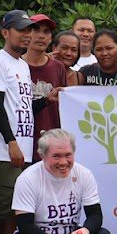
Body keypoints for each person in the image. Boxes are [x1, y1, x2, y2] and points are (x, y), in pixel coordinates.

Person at [11, 130, 114, 234]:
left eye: (68, 155)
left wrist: (85, 232)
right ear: (43, 156)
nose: (63, 162)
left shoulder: (84, 174)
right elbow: (25, 225)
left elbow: (95, 215)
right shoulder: (28, 178)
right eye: (56, 156)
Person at [0, 11, 37, 234]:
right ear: (5, 32)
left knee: (16, 206)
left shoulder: (22, 65)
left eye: (28, 30)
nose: (27, 35)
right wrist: (11, 141)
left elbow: (21, 106)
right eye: (20, 30)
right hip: (2, 151)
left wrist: (46, 101)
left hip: (22, 148)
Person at [25, 14, 72, 155]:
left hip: (52, 143)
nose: (41, 36)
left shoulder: (58, 67)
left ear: (51, 38)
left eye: (46, 32)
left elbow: (64, 107)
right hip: (24, 141)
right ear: (26, 33)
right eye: (36, 30)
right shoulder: (16, 66)